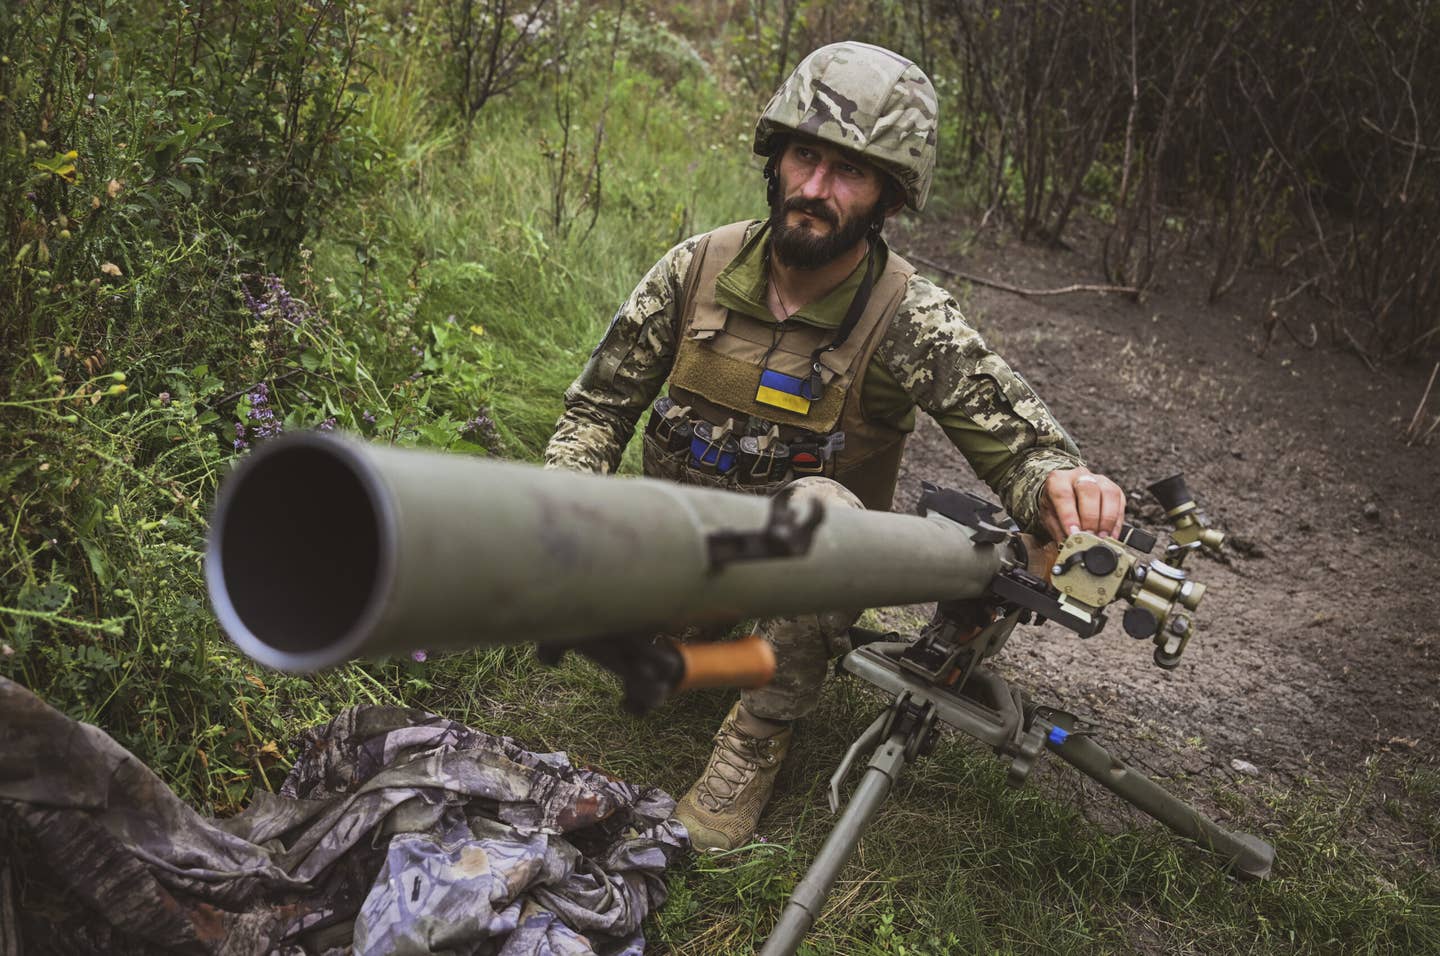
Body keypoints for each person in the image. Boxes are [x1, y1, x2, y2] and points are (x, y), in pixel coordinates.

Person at [544, 41, 1125, 850]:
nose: (815, 189)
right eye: (805, 156)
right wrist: (565, 513)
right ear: (776, 157)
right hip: (675, 554)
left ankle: (755, 738)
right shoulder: (695, 269)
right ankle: (687, 637)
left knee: (821, 513)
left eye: (849, 171)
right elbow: (597, 411)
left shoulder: (909, 317)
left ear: (888, 196)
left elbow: (1023, 448)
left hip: (797, 585)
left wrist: (1064, 485)